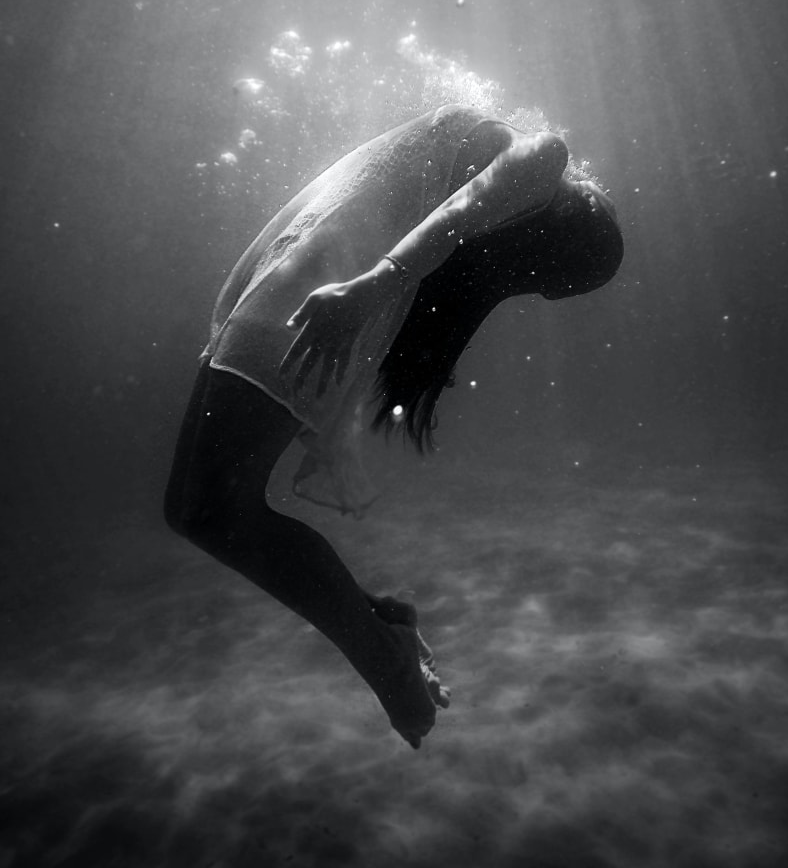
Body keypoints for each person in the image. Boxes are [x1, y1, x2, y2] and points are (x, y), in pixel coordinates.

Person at [164, 104, 623, 748]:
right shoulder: (540, 158)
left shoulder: (523, 156)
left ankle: (380, 653)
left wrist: (370, 286)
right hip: (327, 274)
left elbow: (451, 213)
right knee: (194, 509)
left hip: (328, 278)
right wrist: (371, 285)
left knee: (207, 509)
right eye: (546, 278)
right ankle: (381, 632)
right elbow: (455, 213)